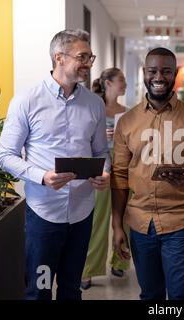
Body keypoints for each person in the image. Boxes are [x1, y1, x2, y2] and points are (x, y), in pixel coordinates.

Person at [0, 29, 111, 300]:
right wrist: (41, 176)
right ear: (59, 57)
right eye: (82, 57)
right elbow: (5, 155)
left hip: (82, 214)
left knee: (71, 288)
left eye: (90, 57)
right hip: (43, 217)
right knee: (40, 288)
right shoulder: (27, 100)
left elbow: (101, 151)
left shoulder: (95, 104)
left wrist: (104, 171)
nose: (88, 64)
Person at [110, 47, 184, 300]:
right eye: (153, 71)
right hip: (139, 223)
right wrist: (117, 225)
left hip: (179, 221)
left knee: (180, 297)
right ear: (144, 73)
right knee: (150, 295)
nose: (159, 76)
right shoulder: (127, 121)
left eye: (166, 71)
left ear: (175, 74)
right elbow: (120, 176)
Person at [81, 68, 131, 290]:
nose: (125, 84)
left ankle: (120, 261)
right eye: (121, 80)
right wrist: (102, 135)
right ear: (108, 83)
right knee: (97, 221)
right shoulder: (93, 107)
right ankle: (88, 270)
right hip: (100, 169)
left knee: (124, 218)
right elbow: (82, 138)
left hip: (123, 168)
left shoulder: (127, 112)